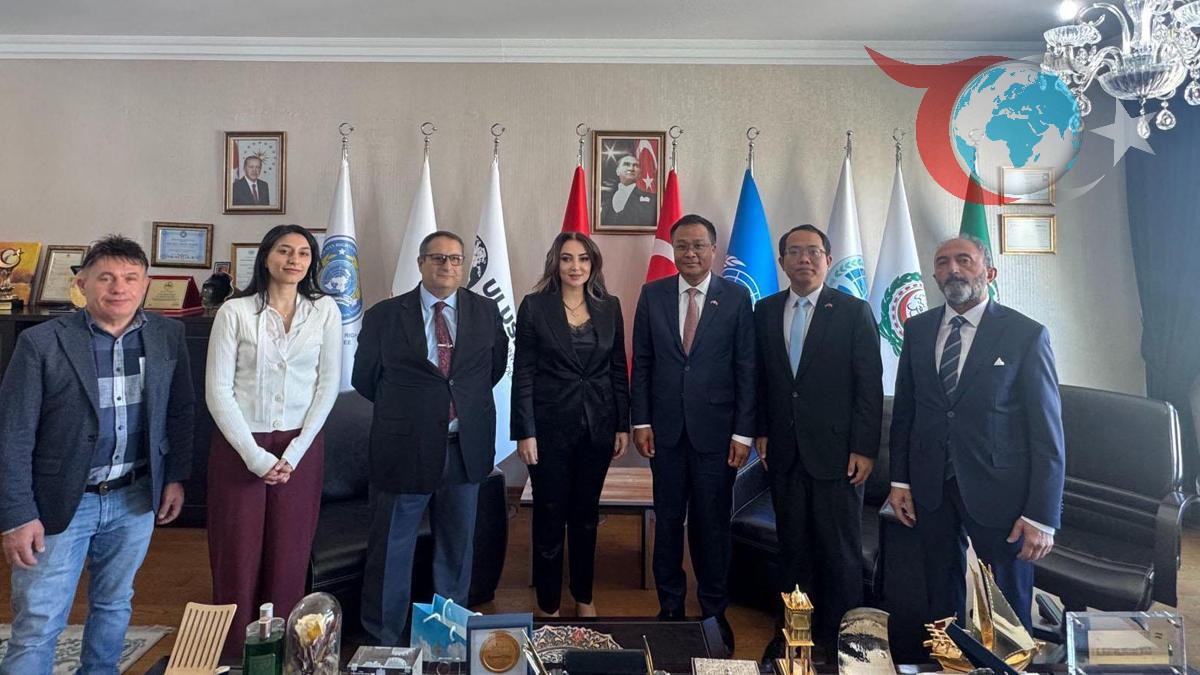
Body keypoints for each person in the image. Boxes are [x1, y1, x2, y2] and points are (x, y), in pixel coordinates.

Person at [0, 235, 194, 674]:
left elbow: (179, 410)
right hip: (58, 504)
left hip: (135, 497)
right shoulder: (41, 343)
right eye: (105, 277)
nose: (118, 287)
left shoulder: (167, 334)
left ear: (146, 285)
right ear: (82, 284)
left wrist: (175, 477)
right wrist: (17, 515)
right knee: (39, 620)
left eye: (130, 277)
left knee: (114, 604)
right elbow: (12, 434)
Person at [888, 235, 1065, 630]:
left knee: (1006, 599)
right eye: (943, 262)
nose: (953, 269)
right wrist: (900, 480)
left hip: (1000, 489)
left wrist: (1042, 515)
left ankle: (1009, 660)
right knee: (939, 588)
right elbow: (906, 412)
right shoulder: (917, 329)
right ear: (934, 275)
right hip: (932, 484)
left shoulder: (1025, 334)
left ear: (989, 271)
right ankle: (948, 655)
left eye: (964, 260)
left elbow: (1047, 431)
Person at [353, 230, 508, 646]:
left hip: (464, 448)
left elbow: (490, 370)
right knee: (391, 550)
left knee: (456, 550)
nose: (447, 266)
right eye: (438, 258)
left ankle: (446, 638)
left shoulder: (486, 311)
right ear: (420, 263)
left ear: (464, 266)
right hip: (403, 448)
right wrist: (417, 410)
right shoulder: (385, 315)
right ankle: (383, 640)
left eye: (455, 259)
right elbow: (365, 378)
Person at [205, 224, 341, 656]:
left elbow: (327, 386)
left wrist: (294, 453)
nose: (293, 260)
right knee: (237, 555)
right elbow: (217, 391)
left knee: (289, 555)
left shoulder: (324, 311)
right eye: (284, 250)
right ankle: (234, 654)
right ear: (266, 256)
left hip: (300, 448)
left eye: (303, 253)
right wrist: (256, 457)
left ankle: (284, 654)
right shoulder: (235, 312)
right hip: (239, 446)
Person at [754, 224, 883, 656]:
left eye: (813, 251)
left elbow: (869, 387)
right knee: (792, 549)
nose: (804, 259)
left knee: (840, 553)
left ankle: (842, 642)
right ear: (782, 262)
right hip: (784, 453)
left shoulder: (853, 311)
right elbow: (763, 380)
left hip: (839, 455)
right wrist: (762, 430)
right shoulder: (765, 310)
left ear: (828, 260)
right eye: (794, 252)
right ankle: (794, 636)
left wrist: (864, 448)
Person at [631, 214, 755, 651]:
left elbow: (746, 368)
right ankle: (669, 609)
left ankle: (713, 613)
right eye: (682, 245)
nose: (690, 253)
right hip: (664, 433)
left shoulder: (736, 298)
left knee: (711, 526)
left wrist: (743, 434)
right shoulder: (653, 294)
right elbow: (642, 363)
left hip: (717, 437)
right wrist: (641, 421)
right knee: (667, 524)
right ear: (673, 249)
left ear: (713, 250)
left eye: (699, 245)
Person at [511, 232, 630, 618]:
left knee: (585, 516)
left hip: (598, 427)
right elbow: (523, 373)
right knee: (549, 514)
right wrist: (525, 431)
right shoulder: (535, 306)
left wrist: (622, 425)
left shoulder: (610, 306)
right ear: (555, 263)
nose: (575, 266)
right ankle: (548, 603)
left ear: (593, 264)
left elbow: (617, 369)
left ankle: (583, 595)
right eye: (566, 258)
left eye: (582, 259)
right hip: (547, 430)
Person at [600, 154, 657, 227]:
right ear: (617, 171)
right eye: (626, 164)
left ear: (640, 173)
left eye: (635, 165)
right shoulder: (604, 199)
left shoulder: (652, 200)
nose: (631, 168)